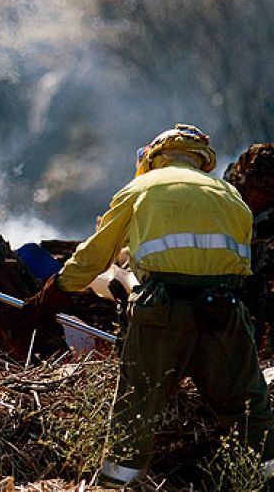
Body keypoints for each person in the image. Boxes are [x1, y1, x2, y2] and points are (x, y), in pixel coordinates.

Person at [26, 124, 274, 487]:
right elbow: (240, 265)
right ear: (201, 160)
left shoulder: (142, 188)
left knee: (136, 409)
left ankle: (116, 484)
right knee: (250, 410)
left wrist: (52, 295)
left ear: (155, 157)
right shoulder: (229, 195)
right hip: (224, 311)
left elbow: (94, 256)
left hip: (162, 312)